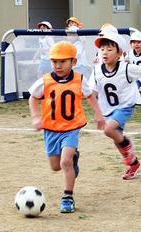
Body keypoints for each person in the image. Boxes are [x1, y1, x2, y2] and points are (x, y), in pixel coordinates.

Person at [28, 41, 105, 213]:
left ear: (73, 62)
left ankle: (67, 197)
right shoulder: (45, 81)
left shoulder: (79, 80)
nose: (58, 65)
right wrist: (35, 117)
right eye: (54, 61)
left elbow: (90, 96)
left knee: (65, 162)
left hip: (71, 128)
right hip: (51, 129)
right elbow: (33, 97)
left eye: (63, 61)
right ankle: (73, 158)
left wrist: (98, 113)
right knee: (55, 166)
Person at [88, 32, 141, 180]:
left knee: (108, 129)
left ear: (119, 53)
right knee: (116, 138)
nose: (105, 52)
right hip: (107, 109)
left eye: (109, 49)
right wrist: (97, 111)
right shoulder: (97, 70)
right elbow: (92, 92)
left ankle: (129, 146)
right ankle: (134, 163)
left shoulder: (126, 68)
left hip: (125, 105)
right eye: (102, 49)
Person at [126, 30, 141, 102]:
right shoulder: (130, 53)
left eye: (139, 42)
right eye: (134, 42)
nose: (136, 44)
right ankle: (137, 96)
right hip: (136, 77)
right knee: (133, 88)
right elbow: (126, 61)